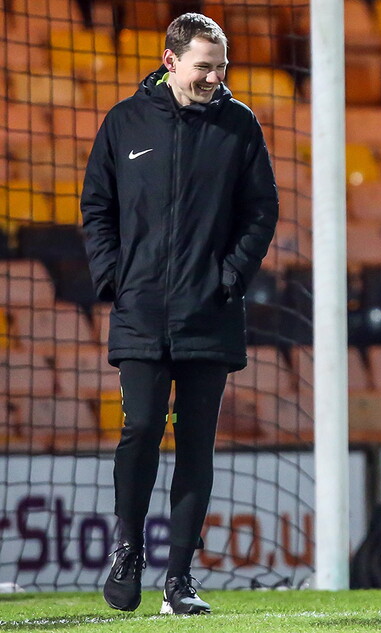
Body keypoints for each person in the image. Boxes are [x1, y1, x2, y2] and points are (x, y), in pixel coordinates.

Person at [81, 13, 278, 615]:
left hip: (209, 313)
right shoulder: (123, 122)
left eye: (221, 67)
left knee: (196, 445)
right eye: (205, 66)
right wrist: (114, 276)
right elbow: (97, 206)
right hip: (140, 311)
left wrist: (229, 277)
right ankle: (128, 549)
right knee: (140, 429)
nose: (215, 77)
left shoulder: (240, 125)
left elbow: (261, 211)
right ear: (170, 62)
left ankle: (180, 581)